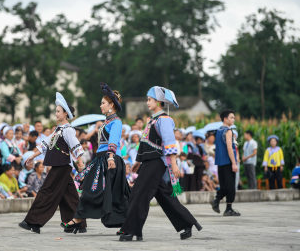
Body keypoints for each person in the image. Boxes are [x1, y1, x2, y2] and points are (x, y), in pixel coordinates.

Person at [119, 86, 201, 242]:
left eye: (149, 99)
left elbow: (170, 144)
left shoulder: (164, 120)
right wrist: (138, 162)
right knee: (165, 196)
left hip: (156, 163)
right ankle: (187, 223)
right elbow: (146, 144)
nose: (147, 102)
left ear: (158, 102)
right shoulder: (153, 120)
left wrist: (174, 165)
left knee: (139, 194)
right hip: (149, 163)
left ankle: (132, 230)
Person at [65, 83, 130, 234]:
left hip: (110, 159)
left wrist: (111, 158)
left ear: (111, 105)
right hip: (101, 159)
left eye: (103, 103)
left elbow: (113, 141)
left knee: (116, 194)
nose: (100, 105)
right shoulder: (106, 122)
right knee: (91, 188)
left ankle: (128, 223)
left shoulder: (116, 122)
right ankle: (79, 219)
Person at [19, 92, 85, 234]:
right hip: (60, 167)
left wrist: (80, 164)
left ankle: (33, 222)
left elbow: (76, 146)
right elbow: (45, 144)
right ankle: (78, 223)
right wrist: (32, 156)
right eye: (56, 111)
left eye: (58, 111)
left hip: (61, 167)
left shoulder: (68, 130)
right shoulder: (58, 130)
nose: (56, 114)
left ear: (65, 114)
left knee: (46, 192)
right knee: (69, 195)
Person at [211, 110, 241, 216]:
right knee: (231, 186)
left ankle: (216, 200)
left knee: (224, 185)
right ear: (225, 119)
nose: (233, 119)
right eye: (231, 117)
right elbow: (229, 147)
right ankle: (228, 208)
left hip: (220, 162)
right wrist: (234, 163)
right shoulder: (228, 131)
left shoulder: (218, 131)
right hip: (228, 162)